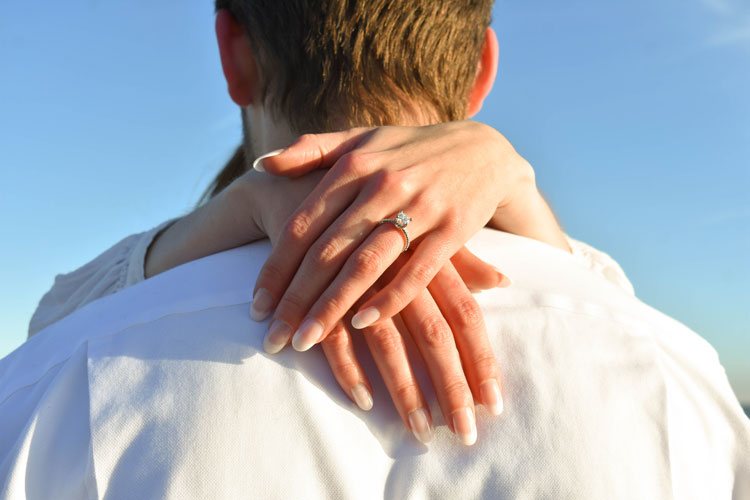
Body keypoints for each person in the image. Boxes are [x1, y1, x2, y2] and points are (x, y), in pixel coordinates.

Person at [2, 0, 748, 497]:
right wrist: (527, 200)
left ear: (234, 54)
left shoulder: (65, 374)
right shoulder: (676, 376)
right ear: (483, 68)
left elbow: (55, 323)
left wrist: (237, 209)